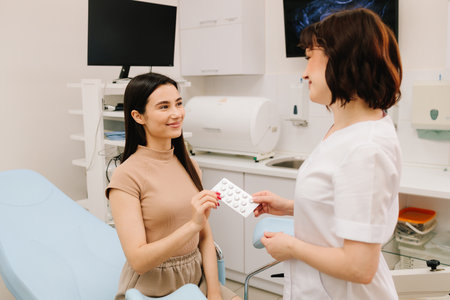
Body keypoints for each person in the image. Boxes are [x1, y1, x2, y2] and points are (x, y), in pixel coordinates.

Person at [252, 8, 402, 300]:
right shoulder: (346, 127)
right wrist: (293, 206)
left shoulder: (365, 148)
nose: (305, 72)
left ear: (342, 59)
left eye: (310, 58)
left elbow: (360, 267)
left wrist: (290, 246)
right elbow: (344, 201)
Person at [106, 72, 239, 300]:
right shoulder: (126, 177)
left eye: (178, 103)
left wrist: (214, 292)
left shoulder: (190, 165)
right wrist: (192, 225)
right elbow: (139, 261)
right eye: (164, 107)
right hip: (152, 287)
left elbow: (205, 237)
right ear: (138, 116)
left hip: (196, 277)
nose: (176, 114)